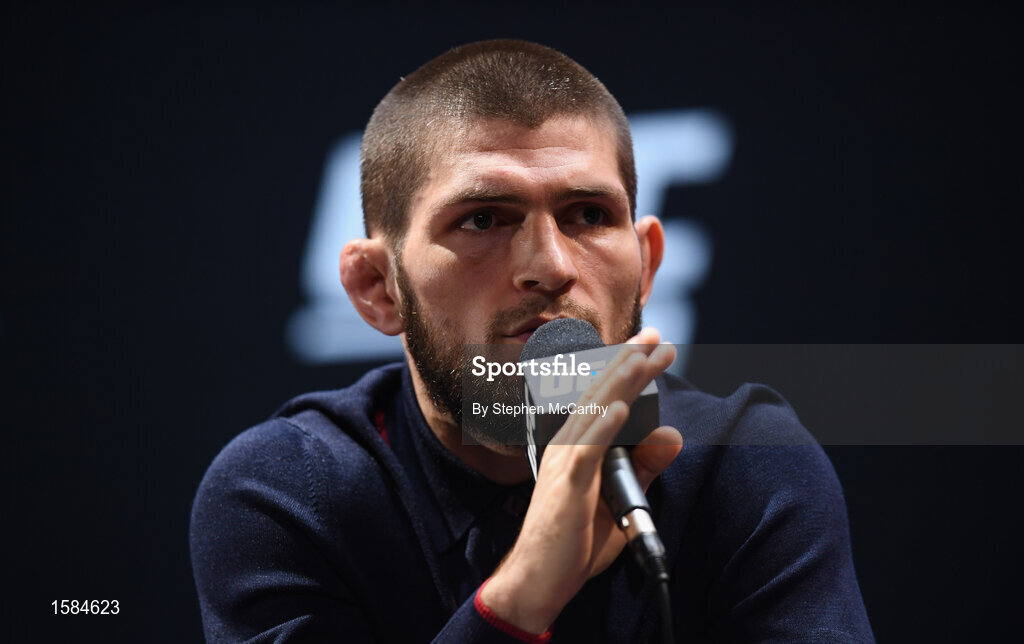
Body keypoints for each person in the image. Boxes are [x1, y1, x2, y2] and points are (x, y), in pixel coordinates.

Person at [190, 40, 873, 643]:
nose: (550, 266)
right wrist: (520, 601)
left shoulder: (744, 464)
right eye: (483, 218)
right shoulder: (287, 493)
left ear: (647, 265)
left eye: (587, 214)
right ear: (379, 286)